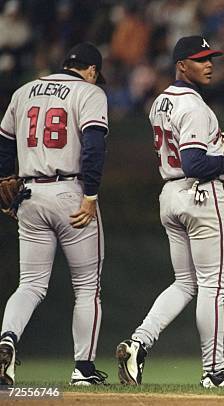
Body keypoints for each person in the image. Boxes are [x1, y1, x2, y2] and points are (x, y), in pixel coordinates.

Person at [115, 35, 224, 388]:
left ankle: (138, 343)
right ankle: (214, 371)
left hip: (170, 196)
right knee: (213, 286)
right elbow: (193, 162)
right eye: (200, 59)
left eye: (211, 58)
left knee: (185, 283)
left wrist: (221, 149)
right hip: (201, 196)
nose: (209, 64)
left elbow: (189, 151)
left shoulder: (159, 102)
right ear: (181, 64)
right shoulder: (194, 106)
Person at [0, 42, 109, 385]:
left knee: (30, 284)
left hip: (31, 193)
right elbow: (93, 147)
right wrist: (90, 194)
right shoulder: (89, 93)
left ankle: (6, 339)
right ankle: (83, 370)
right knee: (87, 287)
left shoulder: (24, 91)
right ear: (90, 70)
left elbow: (3, 143)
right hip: (70, 192)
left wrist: (5, 187)